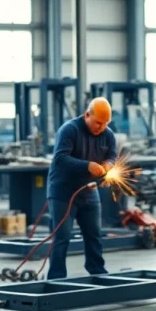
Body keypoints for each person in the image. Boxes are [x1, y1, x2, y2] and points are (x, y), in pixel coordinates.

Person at [45, 97, 118, 280]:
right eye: (98, 123)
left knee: (94, 234)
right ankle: (56, 278)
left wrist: (108, 164)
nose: (100, 127)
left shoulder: (108, 134)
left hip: (88, 190)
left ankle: (97, 271)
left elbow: (112, 156)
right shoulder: (69, 130)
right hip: (63, 192)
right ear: (87, 115)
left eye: (105, 124)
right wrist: (88, 166)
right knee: (62, 237)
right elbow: (60, 159)